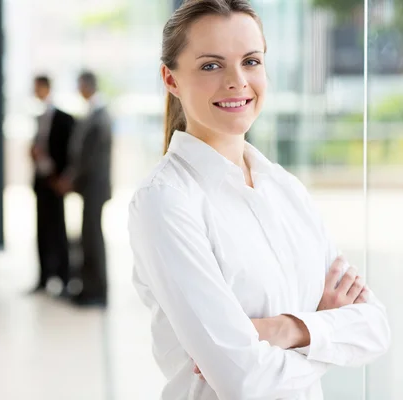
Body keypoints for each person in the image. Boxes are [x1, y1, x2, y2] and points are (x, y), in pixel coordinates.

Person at [127, 1, 391, 399]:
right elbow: (243, 381)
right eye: (211, 65)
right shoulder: (165, 202)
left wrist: (287, 329)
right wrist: (325, 332)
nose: (237, 81)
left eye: (251, 61)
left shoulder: (284, 188)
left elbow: (375, 328)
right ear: (171, 79)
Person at [55, 71, 112, 307]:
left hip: (95, 186)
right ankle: (86, 287)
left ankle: (96, 291)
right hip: (89, 186)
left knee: (92, 238)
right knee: (86, 238)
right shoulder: (93, 113)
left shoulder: (100, 116)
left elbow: (91, 158)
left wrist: (72, 177)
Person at [30, 75, 75, 294]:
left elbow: (69, 151)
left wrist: (64, 177)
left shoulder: (64, 118)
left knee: (58, 229)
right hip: (40, 180)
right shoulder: (37, 117)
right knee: (41, 230)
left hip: (55, 180)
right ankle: (44, 277)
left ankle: (64, 277)